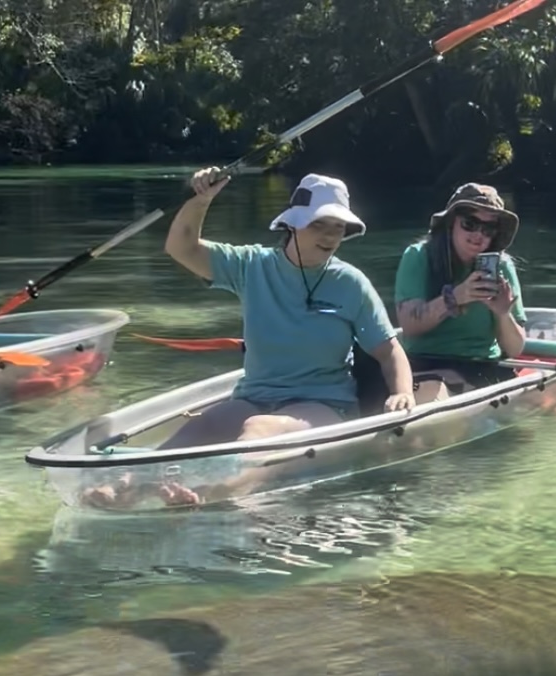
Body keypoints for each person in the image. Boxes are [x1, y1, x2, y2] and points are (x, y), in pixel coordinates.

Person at [85, 166, 415, 508]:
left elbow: (389, 351)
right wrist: (201, 200)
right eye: (319, 223)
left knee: (260, 428)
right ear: (293, 223)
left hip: (324, 406)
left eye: (338, 227)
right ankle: (124, 488)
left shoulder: (351, 283)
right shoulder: (251, 265)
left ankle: (213, 495)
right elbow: (181, 247)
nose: (330, 236)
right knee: (203, 427)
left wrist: (403, 393)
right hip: (255, 395)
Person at [392, 182, 527, 401]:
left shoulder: (502, 267)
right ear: (451, 223)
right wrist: (455, 297)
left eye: (488, 229)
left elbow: (515, 349)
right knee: (430, 394)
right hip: (424, 364)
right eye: (470, 223)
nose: (478, 235)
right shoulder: (418, 257)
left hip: (483, 366)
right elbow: (409, 326)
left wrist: (503, 313)